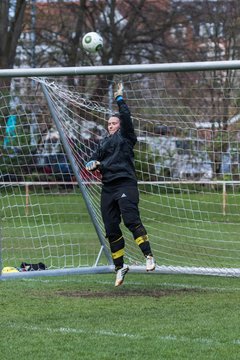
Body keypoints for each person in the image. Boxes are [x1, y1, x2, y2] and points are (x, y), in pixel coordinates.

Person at [85, 83, 155, 286]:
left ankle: (148, 255)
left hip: (125, 185)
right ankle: (120, 267)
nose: (111, 125)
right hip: (108, 189)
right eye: (109, 124)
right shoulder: (103, 143)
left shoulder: (126, 137)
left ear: (121, 125)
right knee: (111, 229)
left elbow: (125, 116)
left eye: (114, 123)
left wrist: (119, 98)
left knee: (131, 220)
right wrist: (92, 164)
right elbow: (91, 161)